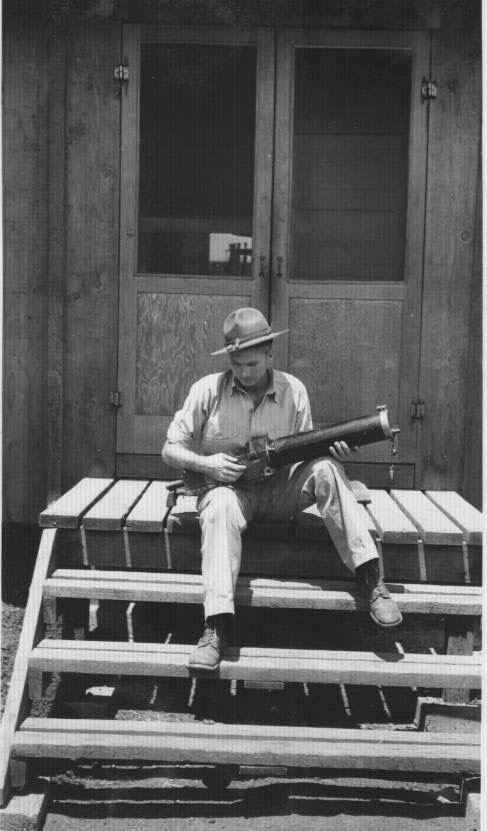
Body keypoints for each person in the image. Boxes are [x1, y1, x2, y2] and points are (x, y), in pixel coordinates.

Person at [162, 307, 402, 671]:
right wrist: (207, 464)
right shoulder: (207, 390)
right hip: (231, 493)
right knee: (219, 507)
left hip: (279, 491)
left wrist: (332, 451)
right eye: (237, 363)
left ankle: (372, 582)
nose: (244, 372)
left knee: (327, 467)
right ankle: (216, 629)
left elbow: (305, 452)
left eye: (253, 364)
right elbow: (169, 449)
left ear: (270, 354)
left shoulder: (294, 391)